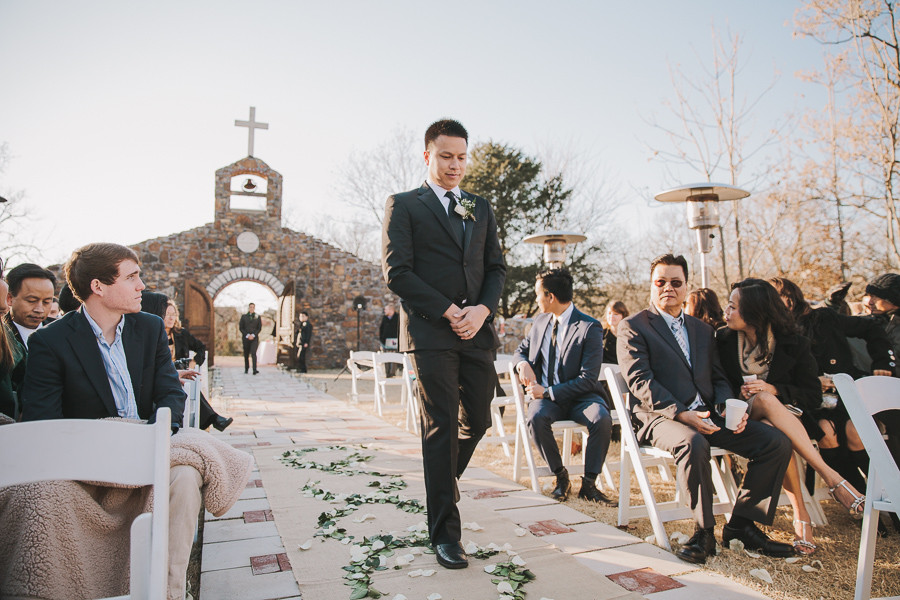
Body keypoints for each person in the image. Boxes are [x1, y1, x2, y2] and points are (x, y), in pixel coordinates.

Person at [19, 243, 199, 599]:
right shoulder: (50, 341)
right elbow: (44, 422)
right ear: (98, 286)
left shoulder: (149, 328)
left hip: (148, 445)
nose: (141, 286)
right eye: (132, 277)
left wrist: (158, 432)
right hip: (86, 462)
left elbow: (170, 393)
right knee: (46, 494)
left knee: (186, 475)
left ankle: (169, 592)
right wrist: (109, 446)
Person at [382, 118, 506, 569]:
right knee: (441, 428)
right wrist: (449, 310)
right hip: (431, 333)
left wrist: (482, 310)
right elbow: (397, 272)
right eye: (446, 156)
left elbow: (496, 268)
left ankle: (441, 482)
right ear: (427, 155)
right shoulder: (404, 205)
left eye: (462, 157)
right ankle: (445, 535)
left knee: (479, 419)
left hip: (477, 332)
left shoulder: (479, 206)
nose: (455, 165)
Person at [618, 254, 794, 564]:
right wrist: (681, 413)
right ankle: (704, 532)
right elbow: (640, 382)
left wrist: (726, 407)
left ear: (686, 286)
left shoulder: (702, 330)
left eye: (676, 282)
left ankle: (741, 525)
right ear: (651, 285)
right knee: (693, 441)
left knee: (775, 442)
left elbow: (718, 376)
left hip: (708, 415)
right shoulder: (633, 326)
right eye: (661, 282)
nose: (668, 288)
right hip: (660, 417)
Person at [717, 278, 866, 555]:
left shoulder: (793, 342)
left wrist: (773, 389)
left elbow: (811, 395)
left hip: (785, 418)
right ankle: (832, 478)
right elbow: (717, 382)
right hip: (740, 416)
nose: (726, 311)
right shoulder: (723, 340)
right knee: (764, 405)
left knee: (774, 427)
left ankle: (801, 515)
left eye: (733, 306)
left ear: (755, 313)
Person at [771, 277, 893, 496]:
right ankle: (858, 499)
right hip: (812, 403)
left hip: (847, 396)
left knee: (854, 432)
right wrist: (812, 382)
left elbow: (871, 328)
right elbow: (779, 377)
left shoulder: (823, 318)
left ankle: (889, 496)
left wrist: (882, 362)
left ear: (787, 299)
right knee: (826, 433)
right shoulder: (774, 332)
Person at [514, 268, 615, 505]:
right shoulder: (539, 322)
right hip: (547, 401)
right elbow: (520, 351)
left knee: (601, 418)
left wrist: (547, 391)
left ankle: (589, 484)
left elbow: (588, 379)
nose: (536, 299)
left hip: (582, 397)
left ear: (550, 297)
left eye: (537, 294)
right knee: (536, 417)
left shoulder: (589, 327)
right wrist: (522, 365)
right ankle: (561, 476)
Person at [163, 300, 233, 431]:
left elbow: (201, 347)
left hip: (180, 373)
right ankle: (213, 419)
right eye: (168, 314)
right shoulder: (155, 334)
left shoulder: (181, 334)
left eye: (174, 314)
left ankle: (211, 419)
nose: (171, 318)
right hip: (165, 375)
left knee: (189, 384)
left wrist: (194, 362)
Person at [4, 263, 56, 350]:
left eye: (46, 302)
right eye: (31, 301)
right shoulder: (3, 334)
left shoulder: (63, 331)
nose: (39, 309)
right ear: (9, 298)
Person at [602, 301, 629, 366]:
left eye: (615, 314)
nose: (611, 316)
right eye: (609, 313)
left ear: (623, 316)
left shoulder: (629, 334)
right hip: (605, 369)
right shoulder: (601, 333)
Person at [239, 302, 261, 374]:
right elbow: (241, 328)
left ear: (254, 308)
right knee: (246, 354)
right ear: (248, 308)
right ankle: (246, 368)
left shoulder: (258, 317)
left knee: (253, 353)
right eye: (250, 307)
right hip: (246, 338)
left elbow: (259, 328)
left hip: (254, 338)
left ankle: (254, 369)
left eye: (253, 307)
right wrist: (247, 335)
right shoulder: (244, 317)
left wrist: (253, 335)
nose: (252, 308)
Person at [379, 304, 400, 376]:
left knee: (394, 356)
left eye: (386, 309)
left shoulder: (398, 318)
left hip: (394, 341)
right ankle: (387, 372)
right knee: (385, 356)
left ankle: (392, 373)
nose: (384, 311)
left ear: (391, 310)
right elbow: (381, 328)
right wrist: (381, 339)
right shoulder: (385, 318)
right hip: (385, 341)